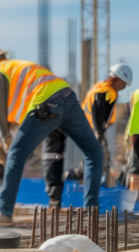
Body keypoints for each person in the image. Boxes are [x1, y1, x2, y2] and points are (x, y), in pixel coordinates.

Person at [0, 48, 104, 225]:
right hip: (69, 99)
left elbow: (0, 110)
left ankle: (3, 212)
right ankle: (91, 212)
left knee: (15, 154)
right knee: (94, 154)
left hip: (47, 106)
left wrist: (6, 138)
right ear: (3, 56)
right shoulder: (21, 66)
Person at [41, 63, 133, 206]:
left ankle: (74, 177)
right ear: (116, 78)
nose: (124, 86)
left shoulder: (101, 87)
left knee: (95, 159)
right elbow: (97, 109)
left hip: (85, 125)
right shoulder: (106, 90)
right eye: (123, 83)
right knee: (95, 159)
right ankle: (78, 181)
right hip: (89, 127)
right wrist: (98, 132)